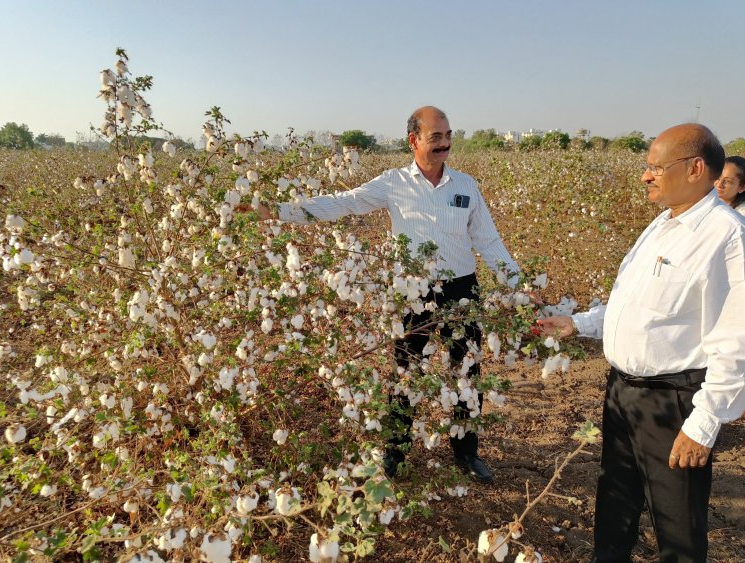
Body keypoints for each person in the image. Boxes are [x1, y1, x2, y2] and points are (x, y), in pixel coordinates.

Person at [255, 106, 521, 483]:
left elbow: (488, 239)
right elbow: (342, 202)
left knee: (467, 370)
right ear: (413, 141)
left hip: (461, 290)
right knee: (406, 372)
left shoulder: (466, 186)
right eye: (436, 137)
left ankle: (466, 452)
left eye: (448, 136)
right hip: (411, 292)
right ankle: (395, 453)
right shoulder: (393, 182)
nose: (445, 144)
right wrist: (278, 211)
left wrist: (519, 286)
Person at [538, 123, 745, 562]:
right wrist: (580, 324)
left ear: (694, 169)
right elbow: (634, 304)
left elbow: (736, 341)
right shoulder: (663, 225)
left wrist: (703, 425)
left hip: (672, 402)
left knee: (677, 526)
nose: (646, 176)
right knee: (615, 500)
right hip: (623, 393)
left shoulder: (727, 237)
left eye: (655, 167)